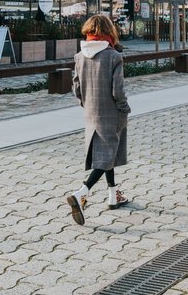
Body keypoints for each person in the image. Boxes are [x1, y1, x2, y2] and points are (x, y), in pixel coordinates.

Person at [66, 15, 131, 226]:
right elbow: (118, 90)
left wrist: (86, 104)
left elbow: (76, 88)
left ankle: (113, 195)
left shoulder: (79, 56)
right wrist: (124, 108)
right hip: (112, 112)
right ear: (109, 32)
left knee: (106, 152)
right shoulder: (113, 56)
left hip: (91, 112)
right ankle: (82, 192)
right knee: (107, 155)